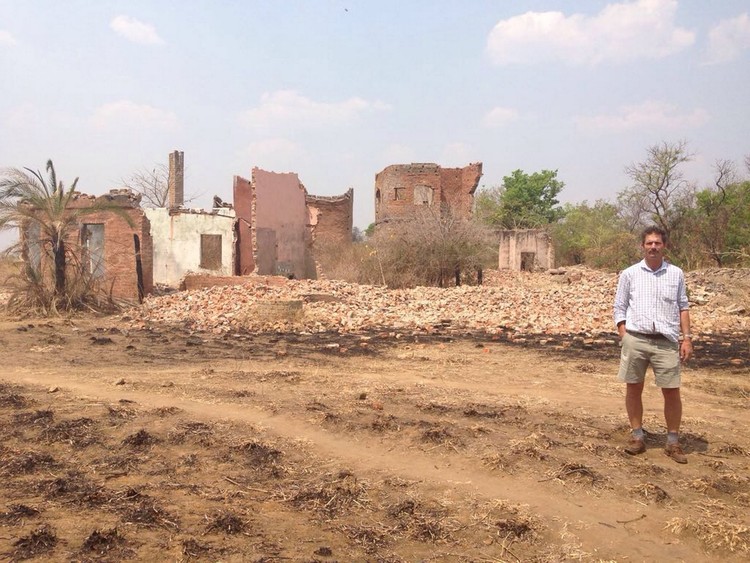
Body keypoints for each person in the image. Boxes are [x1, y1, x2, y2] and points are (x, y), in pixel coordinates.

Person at [613, 226, 693, 463]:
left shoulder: (676, 273)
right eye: (649, 243)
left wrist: (686, 338)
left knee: (671, 391)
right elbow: (619, 306)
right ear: (642, 246)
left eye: (657, 243)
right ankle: (637, 436)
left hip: (666, 342)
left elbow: (683, 306)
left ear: (664, 246)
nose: (653, 247)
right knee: (634, 387)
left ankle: (672, 441)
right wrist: (623, 334)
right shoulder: (629, 274)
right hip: (636, 339)